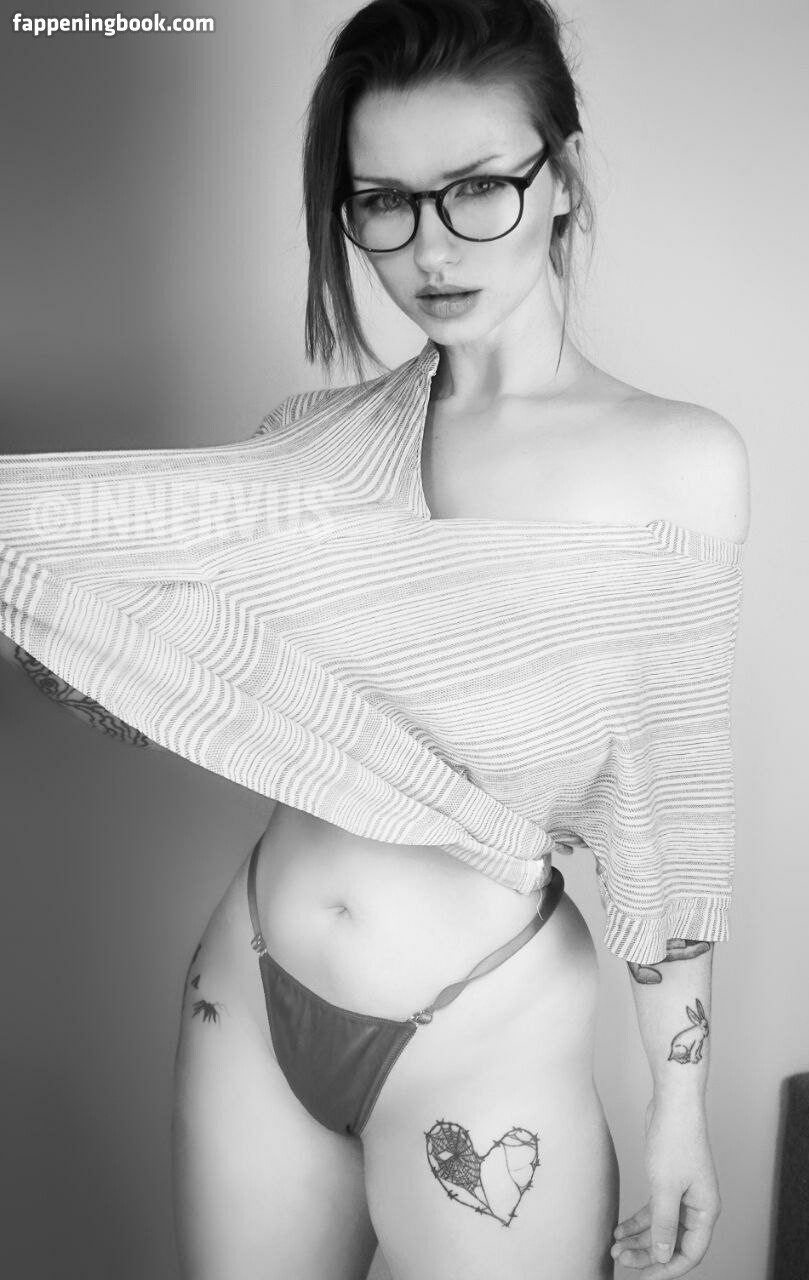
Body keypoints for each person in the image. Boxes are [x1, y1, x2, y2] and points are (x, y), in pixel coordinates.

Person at [0, 1, 750, 1277]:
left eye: (476, 190)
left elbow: (665, 815)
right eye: (381, 203)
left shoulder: (674, 466)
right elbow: (221, 676)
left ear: (562, 178)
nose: (428, 248)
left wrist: (678, 1107)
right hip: (252, 987)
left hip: (477, 1031)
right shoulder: (309, 446)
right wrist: (95, 653)